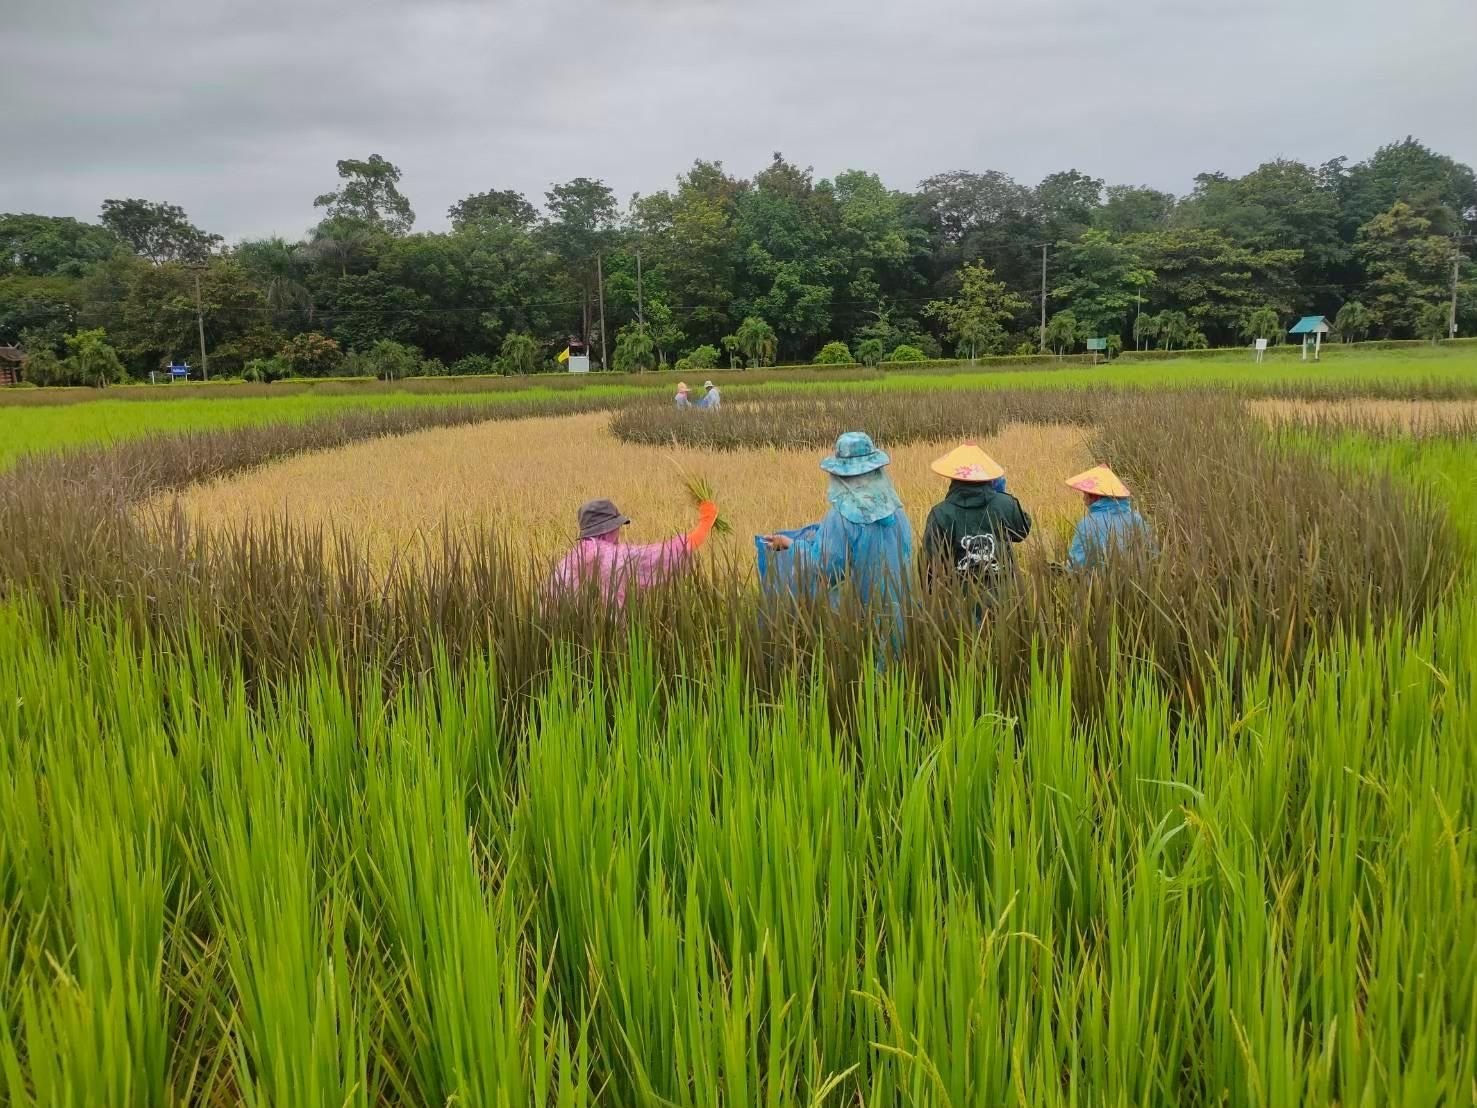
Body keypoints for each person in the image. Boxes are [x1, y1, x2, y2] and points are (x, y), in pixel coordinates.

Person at [763, 431, 913, 625]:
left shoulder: (842, 518)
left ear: (841, 475)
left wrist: (791, 545)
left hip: (863, 621)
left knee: (869, 653)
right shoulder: (897, 512)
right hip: (903, 615)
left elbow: (824, 566)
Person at [546, 496, 719, 607]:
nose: (619, 533)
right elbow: (660, 555)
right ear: (608, 530)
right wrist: (704, 525)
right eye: (617, 527)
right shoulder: (611, 557)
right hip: (603, 640)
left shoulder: (571, 559)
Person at [921, 443, 1031, 589]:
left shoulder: (940, 514)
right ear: (987, 476)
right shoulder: (1006, 504)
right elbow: (1023, 530)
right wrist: (1004, 499)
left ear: (953, 477)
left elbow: (930, 565)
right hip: (1005, 600)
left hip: (959, 602)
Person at [1064, 465, 1151, 569]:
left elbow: (1075, 564)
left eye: (1086, 494)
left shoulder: (1087, 524)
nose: (1083, 498)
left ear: (1096, 496)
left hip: (1097, 583)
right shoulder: (1136, 518)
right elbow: (1151, 553)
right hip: (1137, 581)